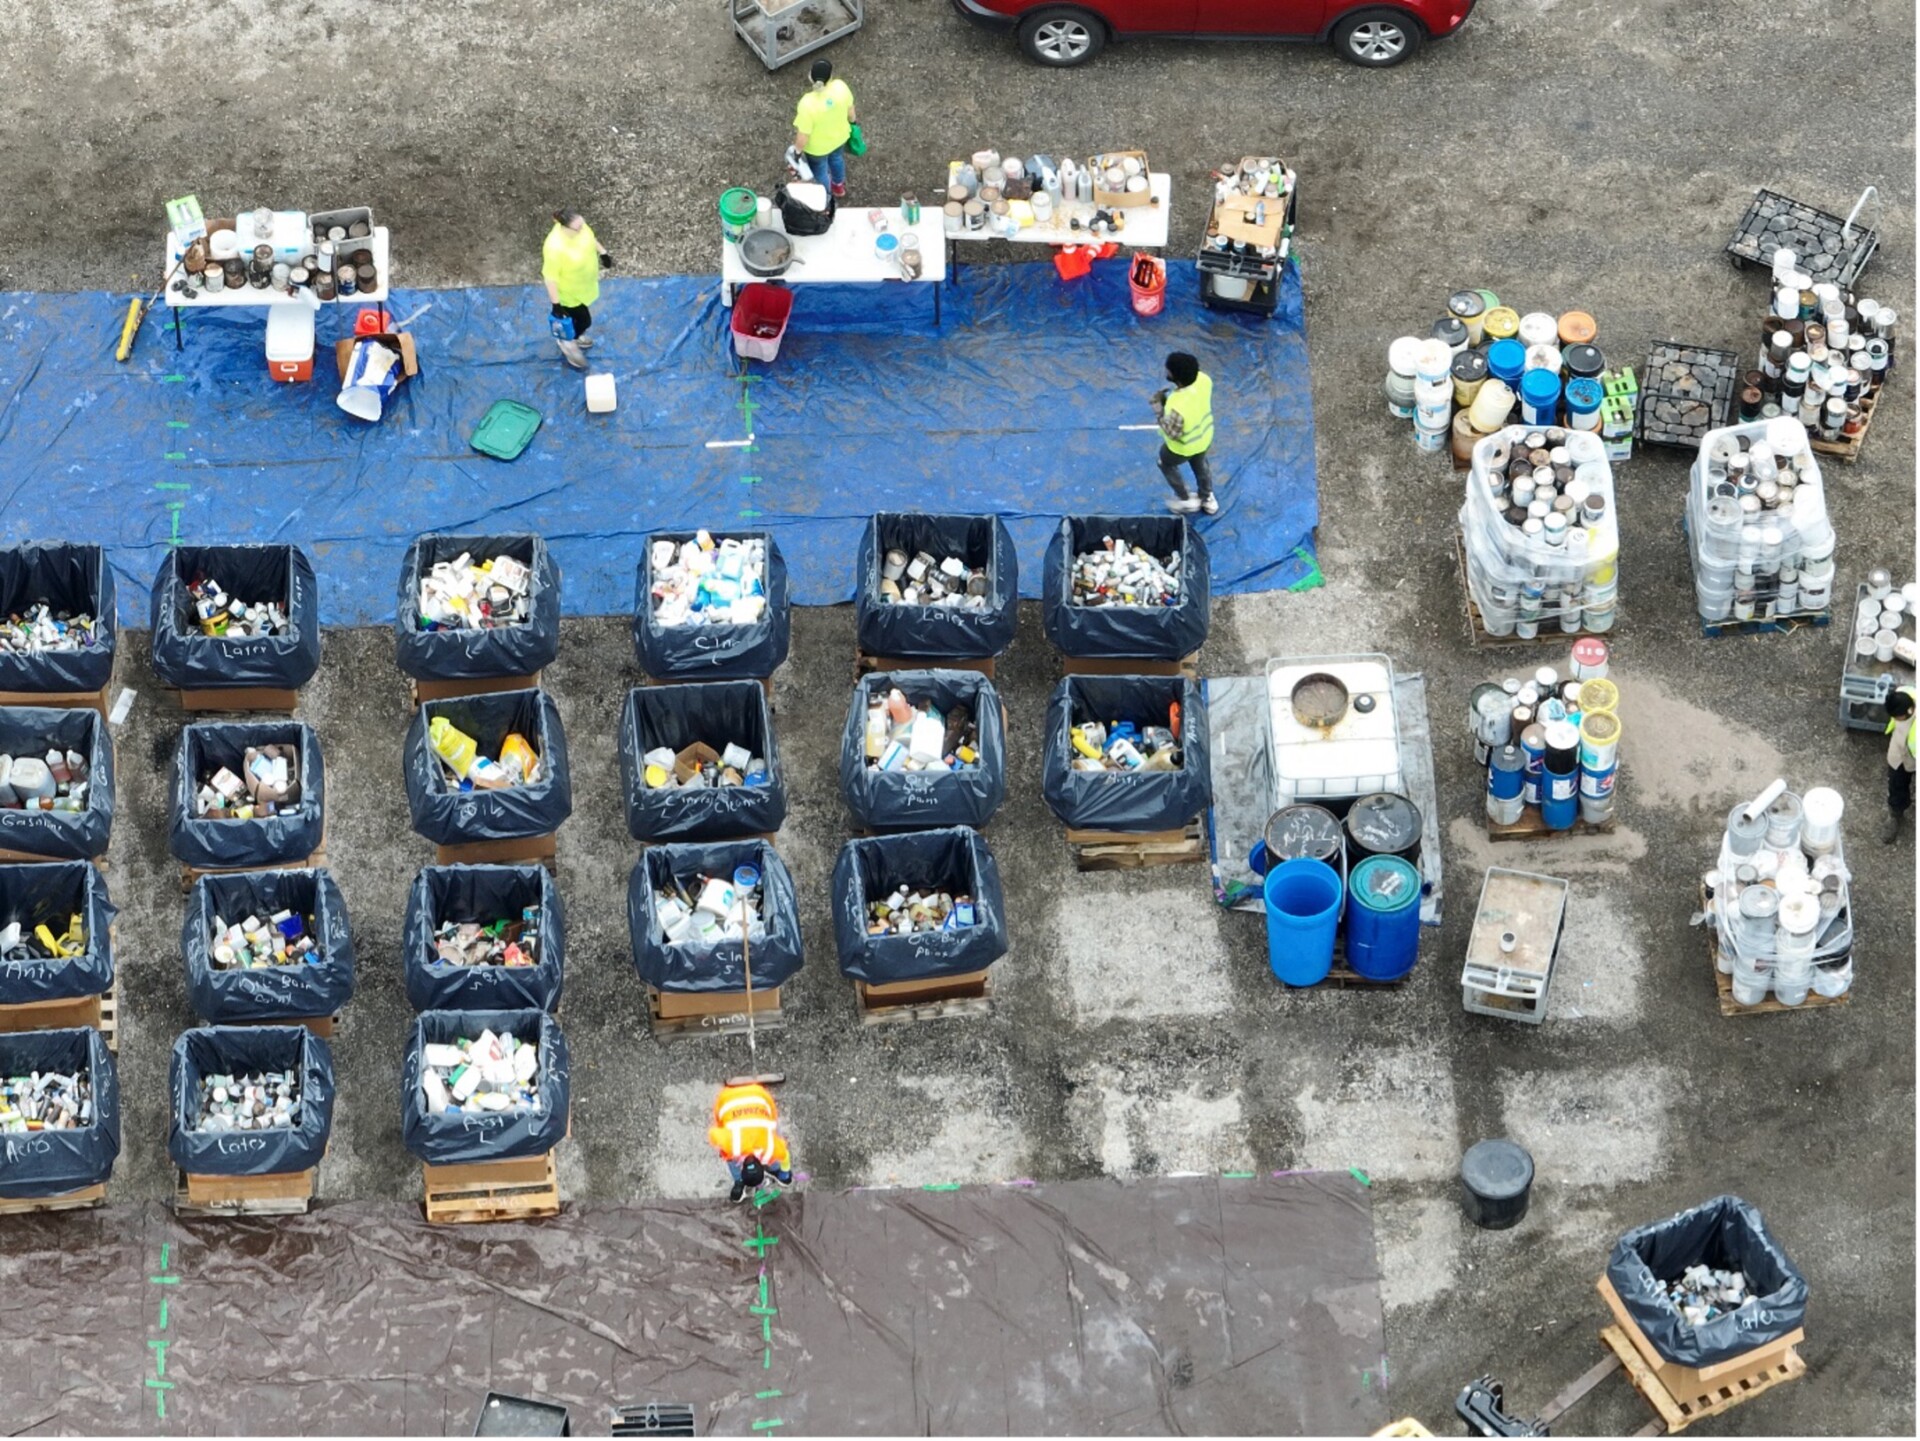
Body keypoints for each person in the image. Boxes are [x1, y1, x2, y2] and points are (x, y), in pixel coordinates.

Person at [541, 209, 611, 370]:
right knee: (585, 320)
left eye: (582, 223)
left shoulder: (580, 228)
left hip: (583, 286)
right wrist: (556, 305)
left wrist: (603, 253)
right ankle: (567, 342)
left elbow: (590, 238)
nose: (582, 228)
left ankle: (573, 336)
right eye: (578, 227)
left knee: (580, 320)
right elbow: (550, 278)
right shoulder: (554, 248)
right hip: (569, 295)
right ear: (565, 226)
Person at [1153, 351, 1217, 515]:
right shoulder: (1204, 380)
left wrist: (1159, 408)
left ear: (1177, 378)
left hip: (1181, 449)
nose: (1166, 372)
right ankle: (1207, 496)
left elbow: (1171, 433)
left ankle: (1185, 499)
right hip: (1203, 438)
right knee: (1201, 465)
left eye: (1168, 371)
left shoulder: (1177, 405)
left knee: (1165, 463)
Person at [708, 1081, 794, 1202]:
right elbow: (714, 1134)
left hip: (757, 1095)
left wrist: (786, 1173)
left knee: (771, 1122)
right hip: (733, 1097)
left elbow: (785, 1156)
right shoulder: (733, 1146)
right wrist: (785, 1175)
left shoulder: (769, 1149)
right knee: (728, 1155)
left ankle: (740, 1181)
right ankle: (773, 1171)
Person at [792, 59, 856, 199]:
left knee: (820, 171)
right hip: (840, 138)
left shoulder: (807, 103)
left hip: (817, 149)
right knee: (837, 159)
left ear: (811, 77)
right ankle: (838, 187)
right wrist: (854, 123)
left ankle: (825, 198)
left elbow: (803, 135)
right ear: (830, 77)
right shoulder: (841, 87)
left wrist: (797, 152)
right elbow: (851, 113)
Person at [1883, 685, 1915, 843]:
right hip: (1899, 753)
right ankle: (1896, 814)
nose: (1895, 719)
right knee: (1896, 784)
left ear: (1909, 711)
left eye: (1897, 717)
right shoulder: (1904, 692)